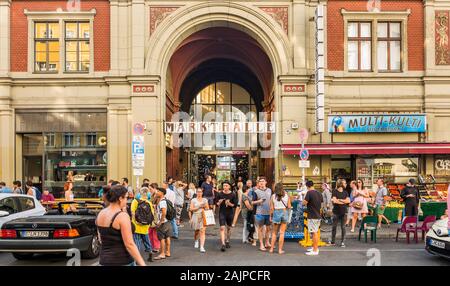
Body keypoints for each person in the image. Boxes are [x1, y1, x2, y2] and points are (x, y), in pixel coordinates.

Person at [96, 185, 146, 266]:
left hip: (104, 260)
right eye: (126, 197)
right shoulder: (122, 216)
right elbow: (129, 244)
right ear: (120, 198)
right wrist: (142, 263)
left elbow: (100, 239)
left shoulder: (101, 213)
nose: (127, 200)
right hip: (122, 260)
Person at [130, 187, 153, 262]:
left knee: (137, 241)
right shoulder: (149, 203)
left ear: (140, 193)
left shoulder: (135, 201)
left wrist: (135, 221)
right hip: (145, 225)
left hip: (137, 225)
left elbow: (133, 212)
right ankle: (150, 252)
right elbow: (151, 214)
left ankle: (137, 258)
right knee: (146, 240)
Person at [215, 181, 238, 252]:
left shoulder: (233, 194)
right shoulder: (219, 194)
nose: (225, 187)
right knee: (222, 228)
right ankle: (223, 244)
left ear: (229, 186)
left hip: (230, 213)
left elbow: (235, 205)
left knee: (228, 228)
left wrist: (229, 203)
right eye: (224, 186)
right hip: (222, 212)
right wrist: (219, 202)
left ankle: (227, 240)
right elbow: (216, 204)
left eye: (226, 186)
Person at [269, 182, 291, 254]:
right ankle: (280, 250)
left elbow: (271, 208)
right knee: (282, 233)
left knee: (274, 233)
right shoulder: (286, 195)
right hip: (284, 212)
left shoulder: (273, 196)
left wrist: (270, 216)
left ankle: (271, 249)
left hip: (276, 213)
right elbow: (289, 206)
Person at [303, 180, 323, 256]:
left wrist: (302, 200)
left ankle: (315, 250)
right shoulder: (319, 193)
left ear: (307, 186)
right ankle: (314, 247)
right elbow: (321, 203)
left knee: (314, 233)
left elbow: (304, 202)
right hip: (318, 214)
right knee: (314, 232)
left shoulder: (309, 193)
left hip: (312, 215)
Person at [329, 179, 350, 247]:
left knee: (343, 227)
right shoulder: (334, 191)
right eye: (345, 183)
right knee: (334, 227)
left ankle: (342, 242)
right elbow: (334, 201)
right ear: (341, 184)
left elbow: (348, 201)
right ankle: (333, 241)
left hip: (344, 212)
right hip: (336, 212)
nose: (346, 184)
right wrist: (343, 201)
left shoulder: (346, 192)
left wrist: (340, 200)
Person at [254, 177, 273, 251]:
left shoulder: (269, 190)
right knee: (260, 229)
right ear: (258, 183)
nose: (261, 182)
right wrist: (259, 201)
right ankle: (261, 244)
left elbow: (272, 200)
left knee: (268, 229)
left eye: (263, 181)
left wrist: (272, 210)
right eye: (260, 181)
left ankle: (267, 242)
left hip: (268, 212)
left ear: (266, 182)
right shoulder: (256, 191)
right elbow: (252, 202)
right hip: (260, 213)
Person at [154, 188, 173, 260]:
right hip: (167, 221)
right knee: (167, 237)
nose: (157, 192)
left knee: (161, 238)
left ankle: (162, 253)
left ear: (162, 193)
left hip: (163, 222)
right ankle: (167, 252)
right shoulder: (165, 200)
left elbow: (164, 212)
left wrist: (160, 222)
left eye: (158, 191)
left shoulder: (162, 202)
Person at [189, 187, 209, 253]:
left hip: (203, 216)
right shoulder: (193, 200)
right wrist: (198, 207)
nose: (199, 193)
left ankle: (202, 247)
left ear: (202, 193)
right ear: (196, 192)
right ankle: (196, 240)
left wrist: (204, 206)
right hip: (195, 216)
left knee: (202, 231)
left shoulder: (205, 200)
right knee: (196, 231)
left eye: (200, 192)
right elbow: (191, 209)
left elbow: (207, 208)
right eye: (198, 192)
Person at [148, 183, 160, 254]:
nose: (150, 190)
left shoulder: (157, 195)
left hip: (155, 216)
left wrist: (151, 205)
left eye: (151, 189)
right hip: (151, 215)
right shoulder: (153, 195)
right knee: (151, 231)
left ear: (154, 188)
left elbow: (157, 205)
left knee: (154, 232)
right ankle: (153, 246)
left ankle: (156, 247)